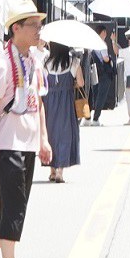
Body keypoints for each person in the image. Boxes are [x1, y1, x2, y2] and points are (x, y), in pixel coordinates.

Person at [0, 0, 51, 258]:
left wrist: (44, 139)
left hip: (28, 141)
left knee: (12, 203)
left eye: (39, 24)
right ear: (16, 28)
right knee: (14, 204)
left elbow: (38, 103)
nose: (38, 30)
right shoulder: (3, 65)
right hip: (8, 142)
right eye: (33, 25)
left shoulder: (33, 61)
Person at [43, 43, 82, 182]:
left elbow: (42, 82)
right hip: (66, 102)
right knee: (65, 134)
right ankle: (60, 171)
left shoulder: (46, 62)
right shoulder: (73, 62)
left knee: (50, 133)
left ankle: (52, 170)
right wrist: (72, 84)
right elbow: (81, 83)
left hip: (49, 102)